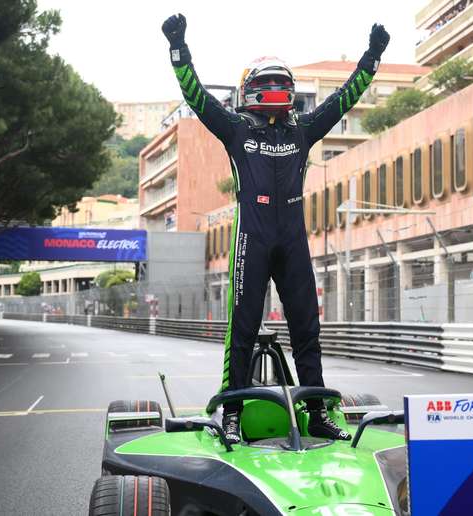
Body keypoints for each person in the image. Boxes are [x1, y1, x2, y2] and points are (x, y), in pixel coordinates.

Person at [162, 14, 390, 444]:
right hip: (253, 238)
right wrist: (179, 48)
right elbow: (195, 96)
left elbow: (342, 101)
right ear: (251, 90)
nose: (277, 89)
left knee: (307, 327)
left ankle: (318, 413)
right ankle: (231, 412)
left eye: (282, 83)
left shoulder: (302, 130)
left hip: (292, 239)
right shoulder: (234, 127)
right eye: (269, 82)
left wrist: (372, 57)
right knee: (243, 327)